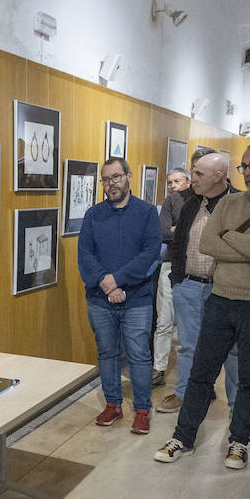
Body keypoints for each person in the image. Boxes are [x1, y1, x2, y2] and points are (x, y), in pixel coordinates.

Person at [155, 140, 250, 470]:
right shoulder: (229, 203)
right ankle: (182, 436)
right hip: (221, 298)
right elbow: (209, 243)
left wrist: (237, 240)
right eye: (246, 166)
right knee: (200, 373)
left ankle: (239, 441)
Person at [78, 157, 162, 434]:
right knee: (107, 352)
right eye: (105, 179)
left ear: (129, 176)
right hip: (100, 299)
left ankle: (141, 409)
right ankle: (113, 404)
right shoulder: (93, 215)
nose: (110, 184)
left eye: (115, 177)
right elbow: (85, 255)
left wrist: (119, 281)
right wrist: (106, 282)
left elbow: (150, 253)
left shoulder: (148, 212)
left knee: (138, 354)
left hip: (136, 298)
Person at [154, 151, 239, 414]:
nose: (194, 179)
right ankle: (186, 394)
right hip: (189, 285)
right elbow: (178, 244)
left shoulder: (238, 203)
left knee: (232, 349)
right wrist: (178, 280)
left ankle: (237, 404)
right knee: (188, 345)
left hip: (224, 289)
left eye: (199, 174)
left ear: (219, 176)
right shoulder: (190, 204)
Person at [152, 166, 195, 387]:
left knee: (190, 326)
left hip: (195, 269)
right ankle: (158, 369)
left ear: (189, 181)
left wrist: (177, 229)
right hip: (170, 265)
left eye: (176, 181)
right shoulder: (170, 202)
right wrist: (182, 231)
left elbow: (201, 234)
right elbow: (162, 233)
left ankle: (190, 376)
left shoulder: (199, 200)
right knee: (164, 321)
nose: (172, 186)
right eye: (169, 182)